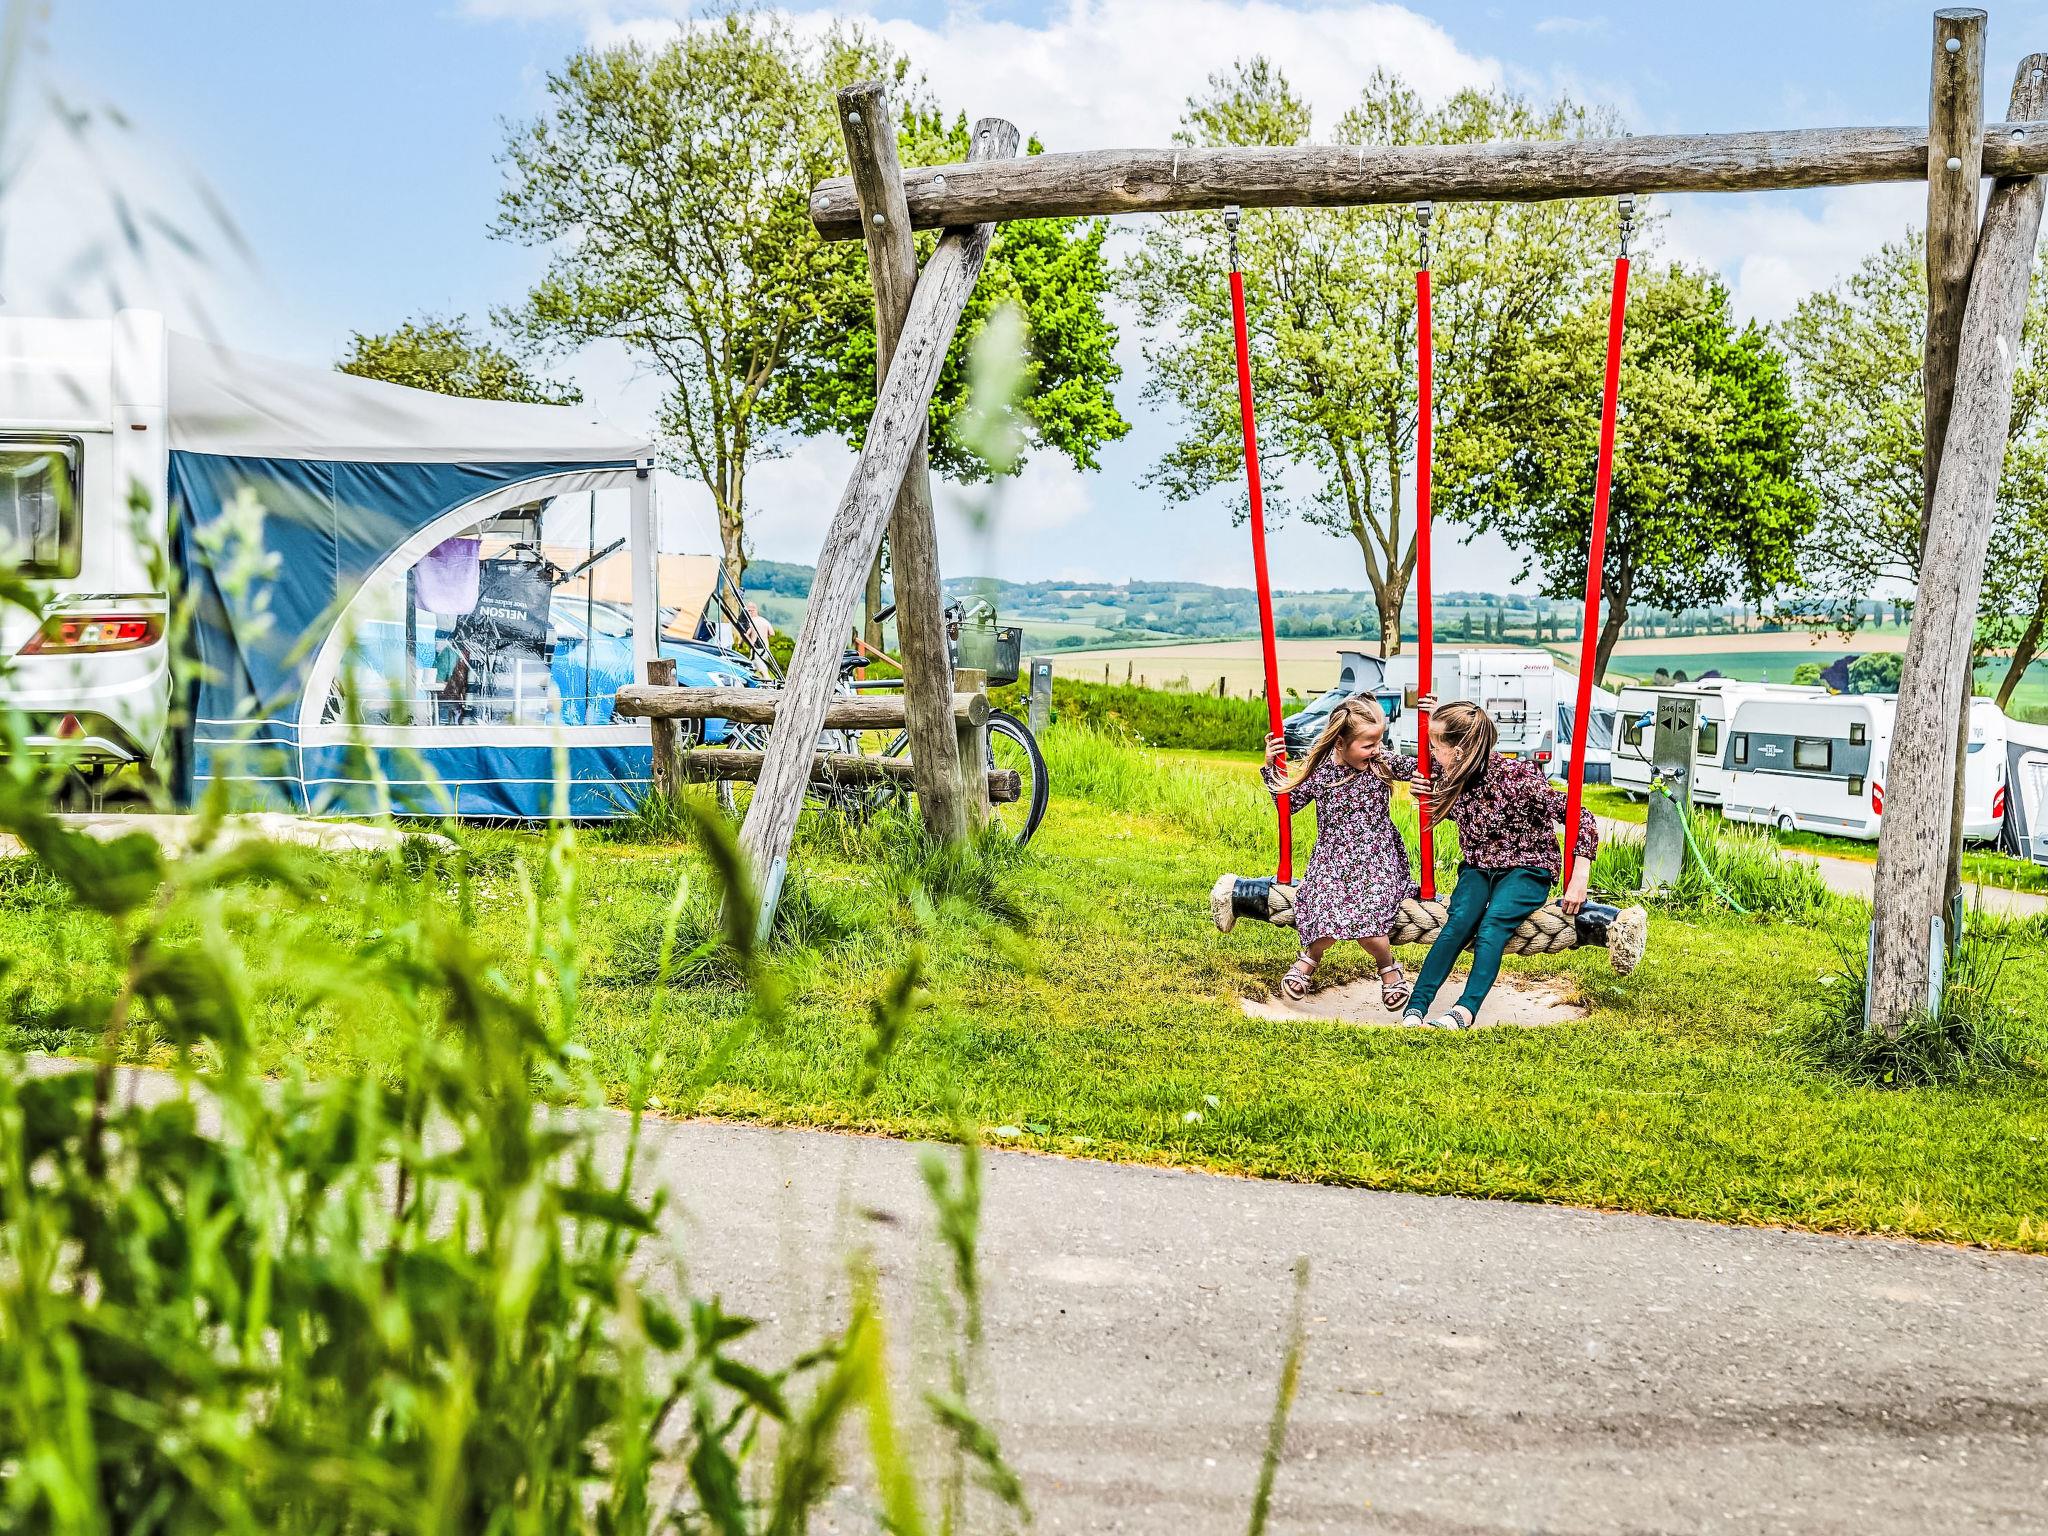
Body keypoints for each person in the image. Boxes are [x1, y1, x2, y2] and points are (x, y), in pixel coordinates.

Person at [1400, 696, 1597, 1030]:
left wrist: (1579, 876)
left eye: (1435, 747)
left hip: (1527, 867)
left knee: (1492, 927)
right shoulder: (1450, 771)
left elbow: (1582, 817)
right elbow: (1396, 764)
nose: (1430, 754)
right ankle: (1416, 1007)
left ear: (1458, 751)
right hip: (1479, 866)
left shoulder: (1519, 779)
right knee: (1458, 923)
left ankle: (1463, 1012)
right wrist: (1422, 788)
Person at [1261, 696, 1418, 1007]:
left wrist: (1430, 725)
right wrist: (1270, 767)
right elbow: (1288, 805)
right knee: (1323, 908)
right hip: (1332, 859)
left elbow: (1422, 767)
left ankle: (1388, 967)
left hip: (1377, 858)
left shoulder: (1380, 763)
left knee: (1367, 916)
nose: (1376, 750)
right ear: (1340, 742)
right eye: (1368, 744)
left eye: (1379, 741)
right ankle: (1310, 958)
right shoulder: (1321, 773)